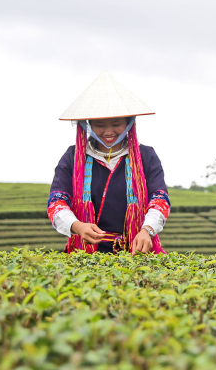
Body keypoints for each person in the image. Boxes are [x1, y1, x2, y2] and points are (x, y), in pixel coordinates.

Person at [47, 72, 168, 254]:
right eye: (100, 124)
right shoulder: (73, 157)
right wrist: (77, 226)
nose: (108, 131)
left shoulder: (146, 156)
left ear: (129, 122)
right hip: (86, 250)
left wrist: (147, 230)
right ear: (88, 124)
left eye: (117, 123)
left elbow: (159, 199)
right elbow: (56, 202)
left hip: (137, 247)